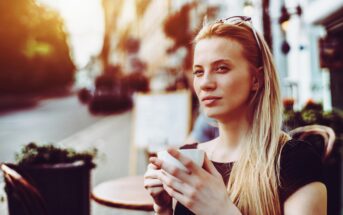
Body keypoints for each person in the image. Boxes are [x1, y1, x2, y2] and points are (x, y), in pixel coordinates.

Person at [144, 16, 327, 215]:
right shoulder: (190, 157)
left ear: (256, 79)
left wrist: (220, 209)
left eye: (221, 68)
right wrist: (163, 209)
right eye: (198, 72)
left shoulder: (293, 161)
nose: (205, 83)